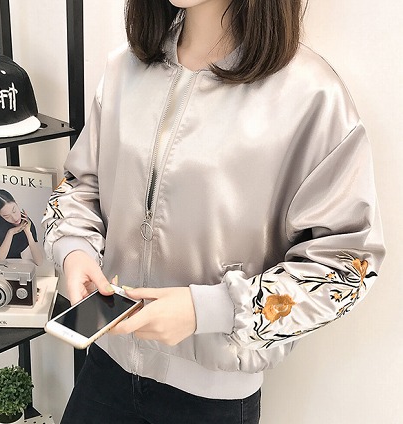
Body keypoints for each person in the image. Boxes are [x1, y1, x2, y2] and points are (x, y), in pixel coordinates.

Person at [42, 1, 385, 423]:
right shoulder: (124, 68)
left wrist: (207, 309)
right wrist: (74, 249)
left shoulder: (311, 94)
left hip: (212, 397)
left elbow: (347, 265)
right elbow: (82, 184)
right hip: (106, 367)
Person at [0, 189, 43, 265]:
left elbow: (39, 262)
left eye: (14, 211)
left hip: (14, 264)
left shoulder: (26, 222)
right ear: (0, 216)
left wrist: (28, 232)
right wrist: (11, 232)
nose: (15, 218)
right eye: (7, 216)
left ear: (16, 203)